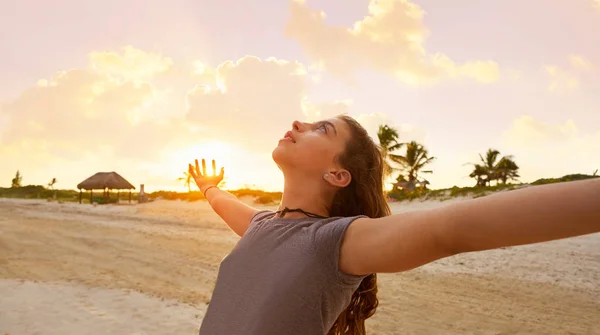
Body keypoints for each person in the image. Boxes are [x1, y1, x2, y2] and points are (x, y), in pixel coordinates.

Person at [189, 114, 600, 335]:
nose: (299, 123)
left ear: (338, 174)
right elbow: (224, 203)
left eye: (322, 129)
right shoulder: (262, 225)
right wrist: (208, 188)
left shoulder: (338, 241)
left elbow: (451, 229)